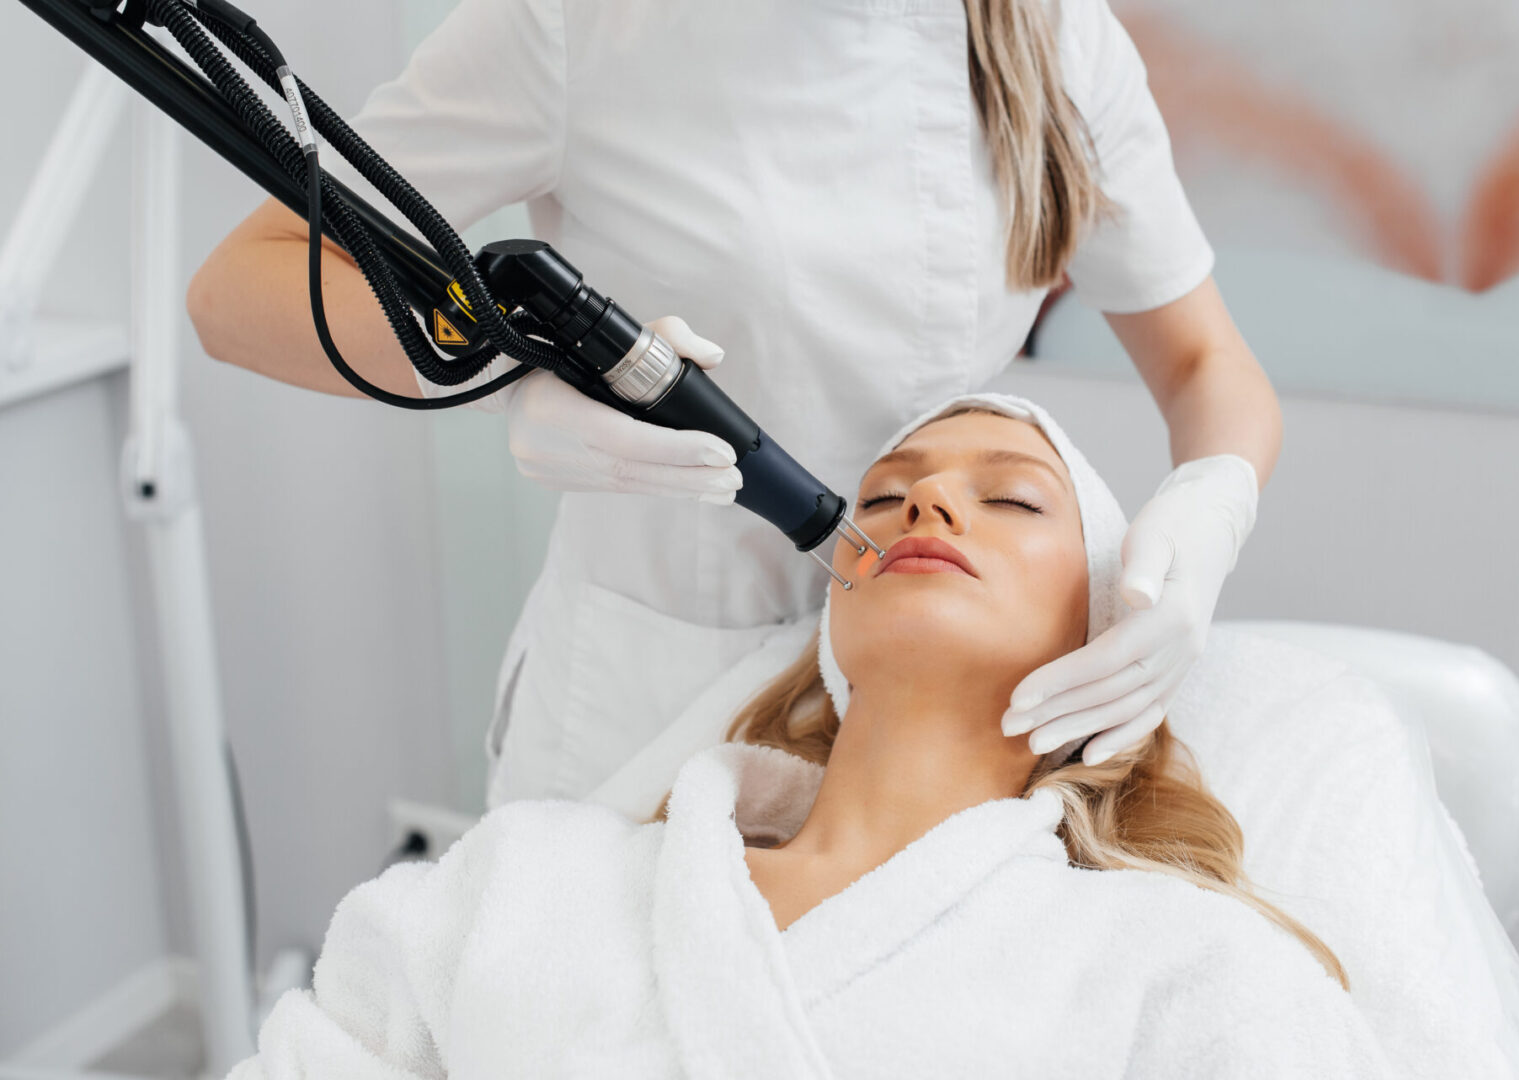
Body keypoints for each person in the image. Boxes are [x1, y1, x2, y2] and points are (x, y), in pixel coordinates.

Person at [187, 0, 1280, 809]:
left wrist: (1213, 507)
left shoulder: (1051, 34)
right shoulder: (572, 26)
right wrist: (502, 376)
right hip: (652, 694)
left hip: (935, 719)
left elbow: (1204, 366)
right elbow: (242, 289)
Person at [225, 394, 1386, 1079]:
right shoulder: (533, 875)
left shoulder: (1183, 965)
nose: (925, 508)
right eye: (882, 497)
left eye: (1014, 499)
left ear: (1110, 632)